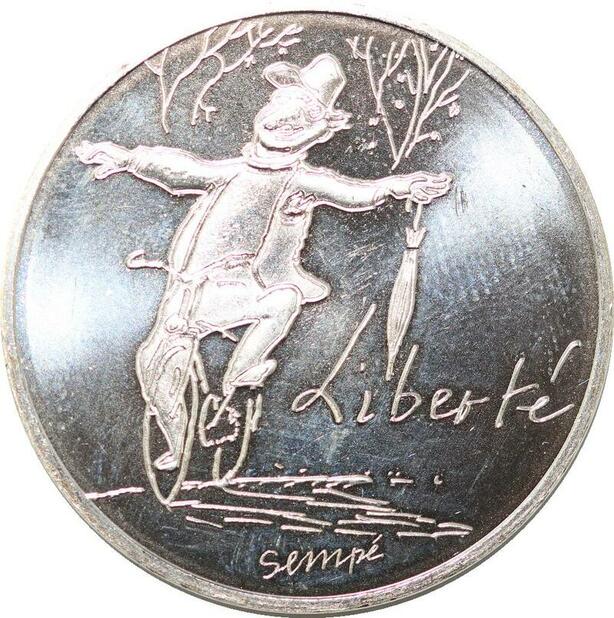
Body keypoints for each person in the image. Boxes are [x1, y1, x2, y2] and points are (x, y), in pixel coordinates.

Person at [76, 53, 451, 471]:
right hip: (182, 293)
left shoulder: (300, 180)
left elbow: (354, 192)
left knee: (283, 300)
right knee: (154, 376)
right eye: (279, 107)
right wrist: (127, 158)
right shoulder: (233, 170)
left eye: (302, 116)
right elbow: (182, 169)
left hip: (232, 292)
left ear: (321, 130)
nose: (283, 121)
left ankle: (242, 370)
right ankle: (178, 448)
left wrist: (400, 185)